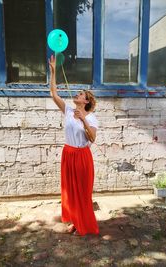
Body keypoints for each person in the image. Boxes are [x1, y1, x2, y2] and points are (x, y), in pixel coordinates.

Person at [49, 55, 99, 236]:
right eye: (77, 94)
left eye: (80, 95)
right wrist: (53, 71)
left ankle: (84, 224)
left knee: (82, 192)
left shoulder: (91, 117)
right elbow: (53, 94)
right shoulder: (68, 110)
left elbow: (92, 138)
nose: (77, 95)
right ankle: (76, 221)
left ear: (85, 101)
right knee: (70, 190)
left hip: (82, 156)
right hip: (68, 153)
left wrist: (84, 119)